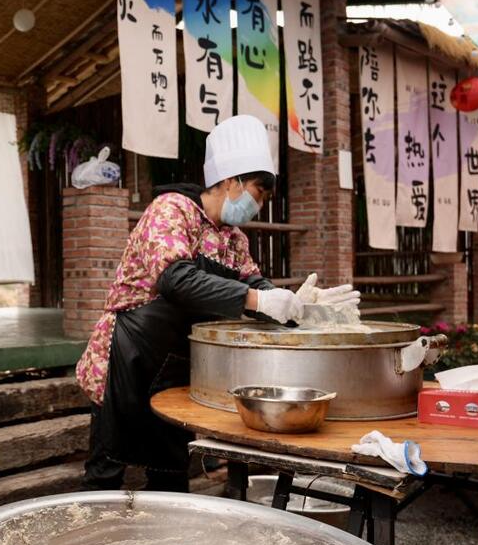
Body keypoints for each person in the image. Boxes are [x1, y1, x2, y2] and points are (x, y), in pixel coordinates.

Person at [76, 115, 359, 492]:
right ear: (230, 182)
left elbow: (253, 282)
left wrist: (298, 304)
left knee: (170, 471)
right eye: (257, 195)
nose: (257, 207)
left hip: (174, 367)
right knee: (107, 470)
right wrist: (258, 299)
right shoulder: (172, 210)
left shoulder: (233, 238)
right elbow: (175, 279)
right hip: (127, 358)